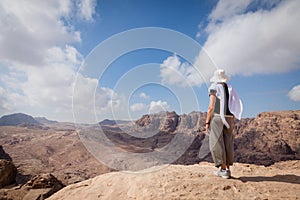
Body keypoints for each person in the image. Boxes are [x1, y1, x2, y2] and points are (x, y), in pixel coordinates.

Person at [204, 69, 243, 179]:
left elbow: (211, 107)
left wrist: (207, 121)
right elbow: (235, 104)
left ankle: (223, 169)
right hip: (230, 118)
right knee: (228, 142)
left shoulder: (214, 87)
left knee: (216, 142)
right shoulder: (230, 88)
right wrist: (232, 118)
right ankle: (227, 168)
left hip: (217, 117)